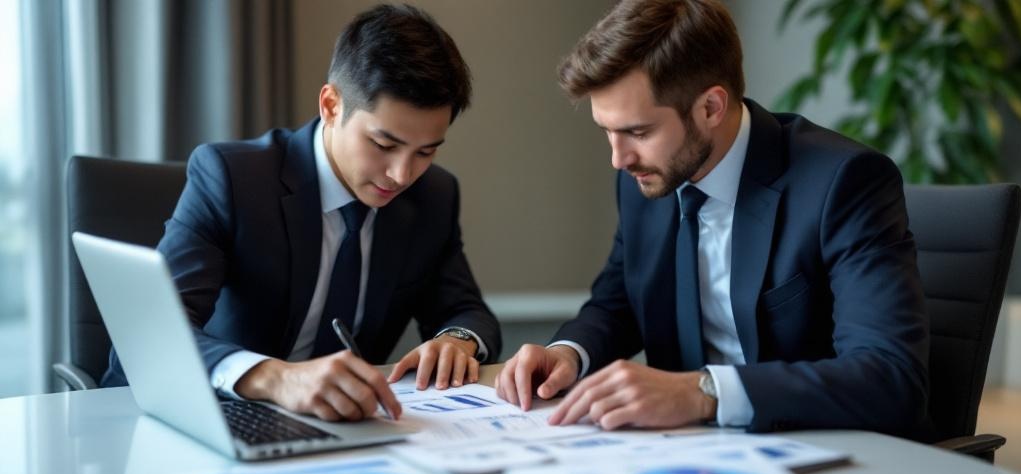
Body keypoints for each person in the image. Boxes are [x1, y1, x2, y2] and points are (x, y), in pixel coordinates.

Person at [496, 0, 929, 437]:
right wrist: (570, 353)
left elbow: (889, 378)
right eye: (608, 131)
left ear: (711, 107)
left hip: (811, 448)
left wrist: (701, 393)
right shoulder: (645, 177)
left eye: (639, 132)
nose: (618, 158)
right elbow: (619, 304)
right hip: (685, 451)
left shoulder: (843, 183)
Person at [102, 4, 502, 423]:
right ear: (331, 105)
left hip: (346, 433)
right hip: (219, 418)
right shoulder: (232, 178)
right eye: (383, 145)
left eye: (426, 151)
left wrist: (458, 341)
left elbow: (469, 312)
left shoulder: (433, 196)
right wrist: (276, 378)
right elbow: (153, 332)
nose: (402, 175)